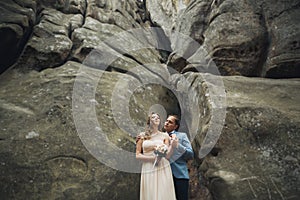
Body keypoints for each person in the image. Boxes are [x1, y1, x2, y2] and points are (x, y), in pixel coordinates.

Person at [136, 112, 177, 200]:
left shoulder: (165, 135)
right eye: (153, 117)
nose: (156, 118)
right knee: (150, 192)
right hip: (148, 166)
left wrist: (172, 146)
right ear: (149, 121)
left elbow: (167, 156)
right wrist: (153, 159)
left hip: (162, 166)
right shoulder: (142, 136)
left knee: (163, 192)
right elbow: (138, 155)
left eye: (158, 117)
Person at [164, 114, 194, 200]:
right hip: (163, 175)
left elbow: (190, 155)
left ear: (175, 126)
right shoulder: (159, 136)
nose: (166, 123)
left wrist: (178, 146)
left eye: (170, 122)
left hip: (180, 175)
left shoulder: (182, 136)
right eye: (166, 121)